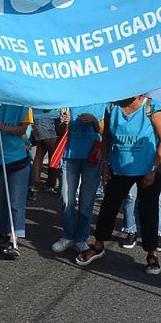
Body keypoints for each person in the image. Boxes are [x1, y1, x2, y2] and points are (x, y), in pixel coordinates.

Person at [76, 95, 161, 276]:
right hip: (119, 168)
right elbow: (106, 137)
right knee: (108, 208)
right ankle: (98, 246)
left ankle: (152, 253)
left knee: (148, 211)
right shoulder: (113, 107)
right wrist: (105, 163)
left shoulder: (152, 107)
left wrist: (152, 169)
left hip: (147, 170)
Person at [52, 103, 106, 254]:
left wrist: (94, 121)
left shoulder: (102, 102)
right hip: (69, 157)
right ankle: (68, 236)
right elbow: (59, 130)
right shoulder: (69, 100)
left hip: (92, 157)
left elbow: (104, 131)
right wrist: (64, 123)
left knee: (86, 202)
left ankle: (81, 239)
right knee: (66, 199)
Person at [0, 104, 34, 259]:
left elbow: (23, 129)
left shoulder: (24, 104)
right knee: (0, 201)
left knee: (15, 202)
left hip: (18, 159)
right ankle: (5, 233)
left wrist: (4, 127)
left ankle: (13, 238)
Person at [30, 108, 61, 191]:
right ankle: (52, 183)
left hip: (42, 118)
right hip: (45, 119)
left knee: (40, 151)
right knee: (55, 152)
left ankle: (37, 182)